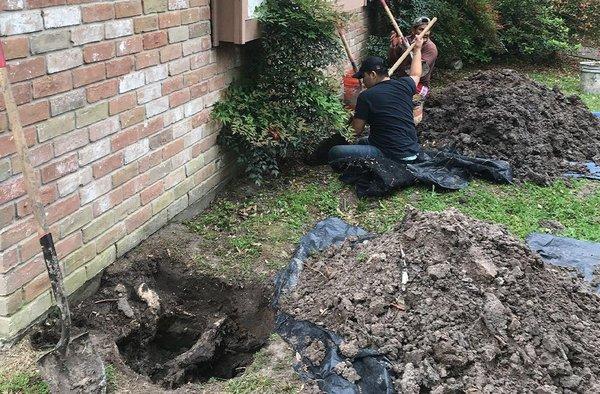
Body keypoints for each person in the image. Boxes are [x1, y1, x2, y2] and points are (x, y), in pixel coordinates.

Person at [328, 36, 424, 164]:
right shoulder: (404, 85)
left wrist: (341, 132)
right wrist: (417, 49)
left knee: (335, 152)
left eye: (363, 76)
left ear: (373, 74)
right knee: (362, 142)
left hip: (393, 156)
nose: (362, 81)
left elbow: (356, 130)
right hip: (412, 150)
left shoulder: (366, 96)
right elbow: (416, 74)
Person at [388, 16, 438, 93]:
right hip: (400, 79)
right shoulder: (406, 40)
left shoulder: (430, 48)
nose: (425, 33)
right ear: (413, 30)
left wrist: (414, 49)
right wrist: (394, 47)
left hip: (419, 84)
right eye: (421, 29)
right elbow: (393, 61)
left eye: (427, 30)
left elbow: (419, 71)